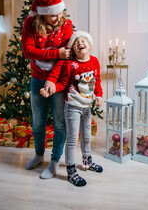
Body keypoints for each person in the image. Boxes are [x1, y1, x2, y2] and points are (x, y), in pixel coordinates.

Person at [22, 0, 73, 179]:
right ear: (43, 15)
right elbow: (28, 51)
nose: (58, 17)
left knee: (59, 122)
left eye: (59, 12)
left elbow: (65, 56)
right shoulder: (30, 23)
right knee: (38, 121)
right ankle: (38, 154)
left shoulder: (66, 24)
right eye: (53, 15)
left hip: (58, 80)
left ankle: (54, 161)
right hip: (37, 78)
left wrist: (52, 79)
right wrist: (55, 52)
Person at [40, 31, 103, 187]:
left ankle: (87, 161)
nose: (79, 43)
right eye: (76, 42)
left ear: (89, 45)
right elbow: (63, 83)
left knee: (87, 137)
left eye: (83, 41)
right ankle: (71, 170)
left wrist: (99, 95)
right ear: (73, 49)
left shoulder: (94, 61)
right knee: (73, 139)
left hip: (87, 107)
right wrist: (51, 89)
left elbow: (97, 81)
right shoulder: (70, 64)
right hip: (73, 107)